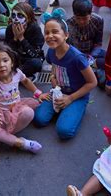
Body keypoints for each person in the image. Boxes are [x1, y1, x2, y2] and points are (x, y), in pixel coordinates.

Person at [34, 9, 97, 139]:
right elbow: (53, 67)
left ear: (66, 35)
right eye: (47, 33)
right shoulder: (51, 51)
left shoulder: (77, 57)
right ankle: (64, 109)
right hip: (58, 92)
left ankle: (77, 107)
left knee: (64, 131)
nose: (50, 36)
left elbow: (92, 82)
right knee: (39, 120)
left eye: (55, 32)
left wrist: (70, 99)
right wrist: (53, 77)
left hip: (77, 96)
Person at [0, 45, 43, 158]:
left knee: (29, 112)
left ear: (12, 62)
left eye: (5, 60)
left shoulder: (17, 73)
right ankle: (22, 143)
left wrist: (38, 93)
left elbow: (26, 81)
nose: (2, 65)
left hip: (17, 110)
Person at [67, 0, 105, 87]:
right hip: (76, 56)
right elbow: (69, 48)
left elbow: (98, 43)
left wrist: (91, 57)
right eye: (78, 18)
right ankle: (92, 73)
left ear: (90, 14)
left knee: (110, 59)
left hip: (92, 55)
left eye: (84, 18)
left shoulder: (98, 20)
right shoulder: (68, 24)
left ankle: (90, 71)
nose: (81, 22)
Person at [5, 2, 44, 80]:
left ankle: (14, 76)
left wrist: (21, 38)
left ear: (28, 17)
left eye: (20, 15)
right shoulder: (10, 28)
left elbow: (35, 54)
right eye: (13, 15)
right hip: (15, 58)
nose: (16, 19)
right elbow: (6, 52)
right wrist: (15, 38)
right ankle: (17, 76)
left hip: (29, 59)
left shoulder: (35, 29)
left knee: (36, 64)